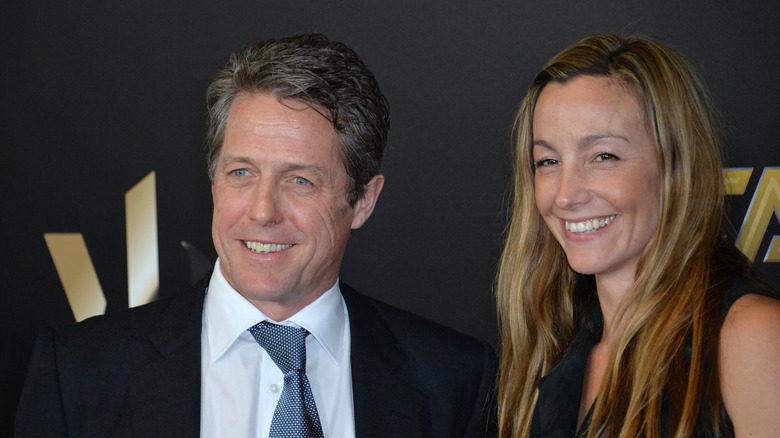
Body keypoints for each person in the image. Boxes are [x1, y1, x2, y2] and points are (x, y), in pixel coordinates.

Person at [15, 33, 496, 438]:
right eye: (241, 173)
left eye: (300, 180)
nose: (262, 211)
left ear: (363, 201)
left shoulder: (453, 381)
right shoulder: (77, 376)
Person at [495, 34, 780, 437]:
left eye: (604, 156)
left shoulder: (750, 336)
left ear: (676, 167)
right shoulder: (556, 348)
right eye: (548, 161)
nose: (565, 195)